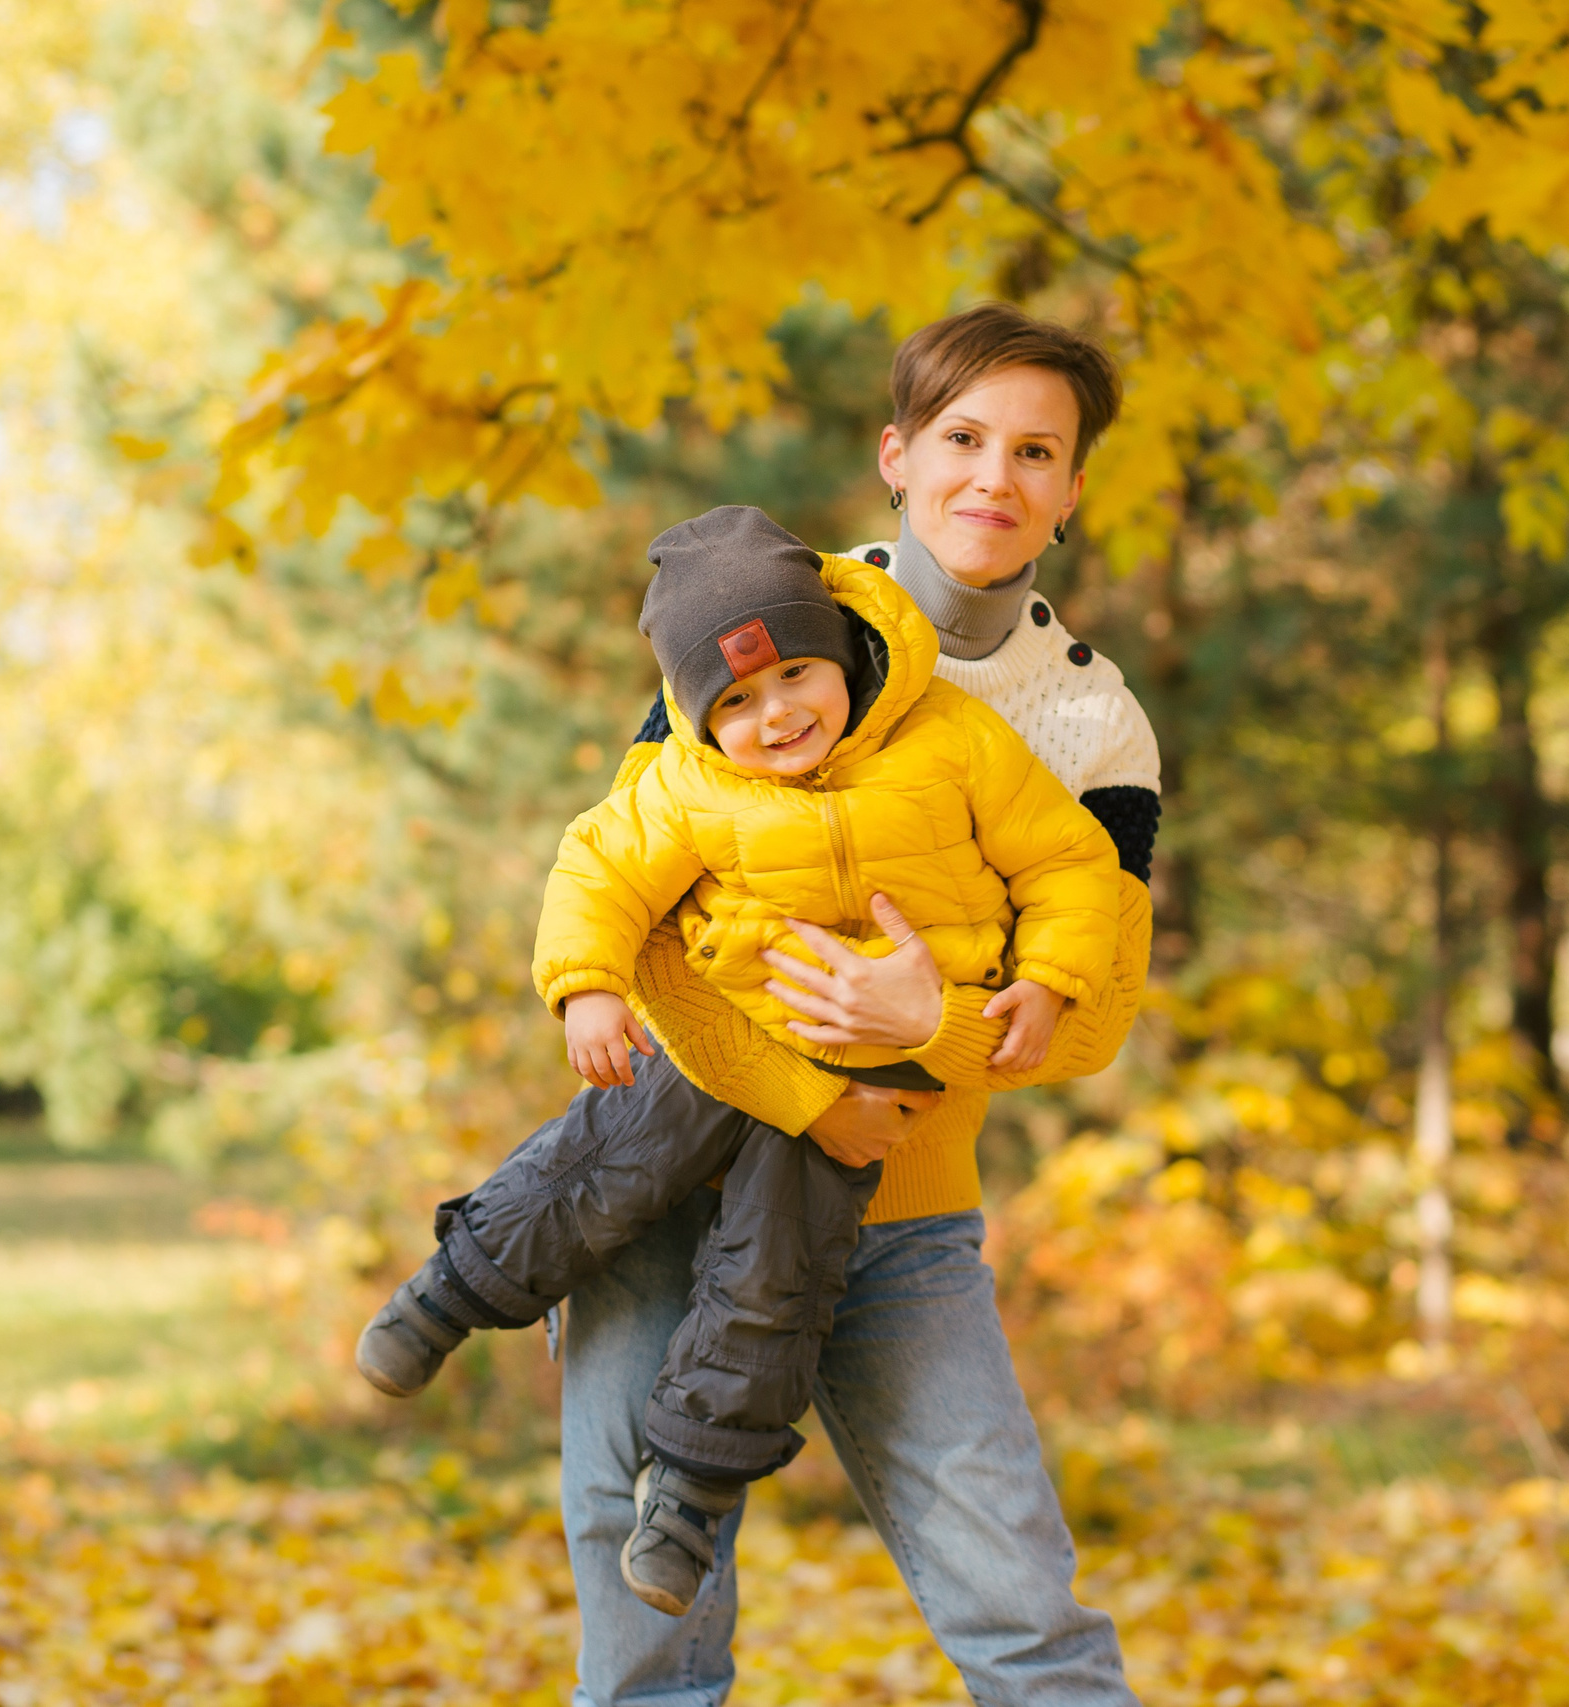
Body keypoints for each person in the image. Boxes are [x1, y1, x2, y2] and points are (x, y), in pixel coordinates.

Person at [358, 501, 1123, 1620]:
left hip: (873, 1077)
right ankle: (453, 1290)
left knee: (780, 1269)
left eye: (793, 678)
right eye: (734, 703)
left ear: (844, 656)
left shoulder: (950, 742)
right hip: (724, 1042)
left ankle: (691, 1497)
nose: (774, 718)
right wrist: (586, 987)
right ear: (694, 718)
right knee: (618, 1141)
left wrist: (1047, 981)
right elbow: (597, 869)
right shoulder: (686, 785)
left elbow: (1069, 861)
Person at [559, 303, 1161, 1705]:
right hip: (667, 1175)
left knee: (1024, 1610)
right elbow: (628, 897)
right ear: (899, 452)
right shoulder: (750, 615)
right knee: (647, 1620)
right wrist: (797, 1069)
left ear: (1072, 490)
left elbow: (1096, 1014)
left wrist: (928, 1020)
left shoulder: (1092, 725)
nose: (992, 478)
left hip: (901, 1207)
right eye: (962, 438)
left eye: (1036, 451)